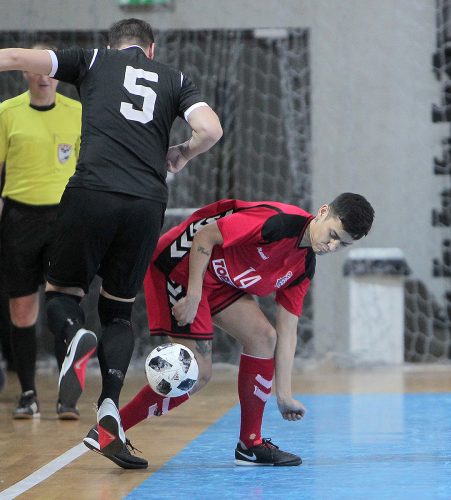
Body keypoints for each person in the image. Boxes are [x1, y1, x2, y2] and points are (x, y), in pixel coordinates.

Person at [0, 17, 222, 459]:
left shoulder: (92, 60)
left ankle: (73, 333)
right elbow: (211, 130)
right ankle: (108, 415)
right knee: (119, 312)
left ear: (112, 44)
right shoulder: (176, 78)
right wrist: (181, 153)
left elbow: (12, 58)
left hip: (92, 193)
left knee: (62, 293)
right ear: (151, 49)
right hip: (145, 204)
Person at [83, 193, 375, 469]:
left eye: (343, 245)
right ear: (323, 212)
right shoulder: (278, 223)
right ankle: (108, 431)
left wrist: (284, 395)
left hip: (219, 281)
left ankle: (250, 445)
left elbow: (287, 332)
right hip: (180, 265)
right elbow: (206, 236)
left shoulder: (302, 266)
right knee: (197, 373)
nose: (332, 247)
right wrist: (194, 296)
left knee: (264, 337)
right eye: (334, 235)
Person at [0, 43, 82, 418]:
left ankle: (68, 397)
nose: (43, 76)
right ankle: (28, 393)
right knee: (22, 308)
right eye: (35, 68)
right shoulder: (6, 113)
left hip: (64, 218)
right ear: (26, 73)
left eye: (49, 68)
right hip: (19, 219)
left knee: (63, 305)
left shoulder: (79, 113)